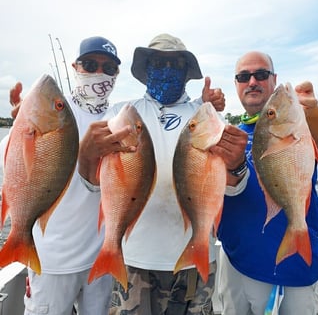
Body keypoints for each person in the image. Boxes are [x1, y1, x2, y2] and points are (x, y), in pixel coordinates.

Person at [79, 33, 226, 315]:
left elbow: (222, 177)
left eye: (176, 63)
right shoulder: (120, 113)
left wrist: (207, 104)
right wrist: (87, 154)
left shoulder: (204, 114)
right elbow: (93, 182)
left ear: (187, 72)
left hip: (194, 259)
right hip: (134, 259)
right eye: (158, 62)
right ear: (146, 70)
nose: (167, 69)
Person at [0, 36, 133, 315]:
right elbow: (9, 167)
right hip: (51, 261)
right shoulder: (52, 112)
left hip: (101, 257)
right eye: (90, 64)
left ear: (117, 74)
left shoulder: (118, 119)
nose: (100, 72)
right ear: (75, 67)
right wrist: (21, 129)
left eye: (109, 68)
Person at [215, 51, 318, 314]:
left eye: (261, 74)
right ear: (236, 84)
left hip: (294, 267)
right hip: (236, 259)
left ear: (274, 79)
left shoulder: (303, 126)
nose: (252, 81)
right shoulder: (229, 135)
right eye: (243, 76)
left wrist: (314, 114)